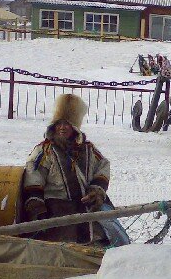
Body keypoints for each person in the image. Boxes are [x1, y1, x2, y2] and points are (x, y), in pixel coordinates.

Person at [22, 93, 113, 242]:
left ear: (75, 127)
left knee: (106, 235)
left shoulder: (88, 149)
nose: (62, 128)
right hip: (56, 207)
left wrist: (96, 190)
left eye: (67, 124)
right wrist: (36, 203)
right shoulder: (45, 150)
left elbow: (103, 165)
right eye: (59, 123)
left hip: (87, 204)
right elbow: (34, 173)